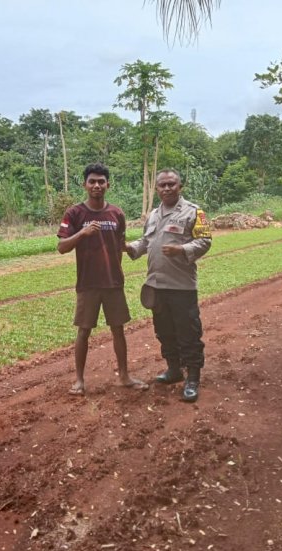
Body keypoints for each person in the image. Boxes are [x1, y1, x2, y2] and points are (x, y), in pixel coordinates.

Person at [57, 162, 149, 396]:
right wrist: (82, 233)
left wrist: (128, 252)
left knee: (118, 329)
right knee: (83, 331)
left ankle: (125, 376)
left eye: (101, 181)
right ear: (84, 184)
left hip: (113, 282)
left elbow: (119, 244)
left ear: (108, 184)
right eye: (92, 181)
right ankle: (79, 380)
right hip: (87, 283)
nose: (96, 185)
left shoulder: (117, 213)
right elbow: (61, 247)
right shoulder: (75, 213)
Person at [126, 169, 212, 402]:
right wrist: (130, 247)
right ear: (157, 189)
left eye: (171, 184)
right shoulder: (153, 214)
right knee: (164, 331)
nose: (166, 188)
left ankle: (192, 377)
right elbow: (146, 240)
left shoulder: (194, 212)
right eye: (162, 185)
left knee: (189, 332)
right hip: (157, 284)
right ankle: (174, 369)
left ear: (179, 187)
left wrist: (182, 250)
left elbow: (205, 241)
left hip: (182, 286)